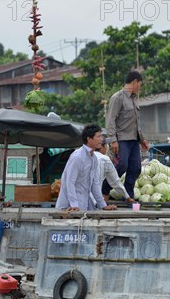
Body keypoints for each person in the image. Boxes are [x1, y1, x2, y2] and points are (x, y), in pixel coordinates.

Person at [105, 70, 150, 199]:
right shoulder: (117, 98)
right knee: (121, 166)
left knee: (136, 168)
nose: (140, 88)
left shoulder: (135, 99)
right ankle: (105, 188)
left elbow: (136, 123)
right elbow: (110, 120)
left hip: (134, 141)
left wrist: (142, 140)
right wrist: (113, 140)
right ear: (134, 82)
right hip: (121, 140)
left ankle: (128, 196)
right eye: (140, 84)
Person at [56, 124, 117, 211]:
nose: (101, 139)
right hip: (69, 207)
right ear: (89, 138)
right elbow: (69, 182)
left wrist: (103, 205)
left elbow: (95, 184)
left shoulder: (94, 158)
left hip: (84, 204)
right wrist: (74, 205)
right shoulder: (78, 157)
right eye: (98, 136)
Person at [96, 136, 134, 203]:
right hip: (95, 200)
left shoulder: (85, 156)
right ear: (102, 147)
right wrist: (127, 197)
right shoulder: (105, 159)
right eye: (106, 145)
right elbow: (115, 181)